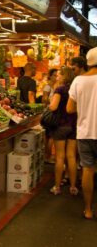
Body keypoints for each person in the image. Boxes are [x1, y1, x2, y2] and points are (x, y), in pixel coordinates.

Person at [67, 47, 97, 219]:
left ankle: (88, 209)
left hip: (85, 132)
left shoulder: (78, 80)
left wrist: (85, 107)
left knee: (87, 169)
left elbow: (70, 108)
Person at [48, 66, 77, 195]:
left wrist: (50, 103)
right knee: (71, 156)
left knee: (60, 157)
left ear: (64, 76)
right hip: (73, 125)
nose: (57, 76)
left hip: (60, 125)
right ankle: (73, 187)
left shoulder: (59, 89)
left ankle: (57, 187)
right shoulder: (75, 89)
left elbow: (53, 107)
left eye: (60, 74)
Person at [42, 69, 58, 164]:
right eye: (55, 75)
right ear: (50, 76)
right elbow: (44, 100)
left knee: (50, 136)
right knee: (50, 136)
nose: (56, 77)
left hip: (53, 113)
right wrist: (52, 100)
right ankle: (47, 156)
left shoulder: (56, 87)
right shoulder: (48, 87)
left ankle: (47, 156)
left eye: (57, 75)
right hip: (49, 113)